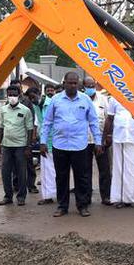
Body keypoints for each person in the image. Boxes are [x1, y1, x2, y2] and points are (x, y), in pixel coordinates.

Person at [40, 72, 103, 217]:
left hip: (80, 145)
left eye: (75, 83)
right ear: (64, 83)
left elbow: (93, 122)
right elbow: (47, 123)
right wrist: (43, 142)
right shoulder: (56, 100)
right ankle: (62, 206)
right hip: (59, 145)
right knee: (61, 177)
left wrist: (98, 142)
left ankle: (82, 206)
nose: (73, 85)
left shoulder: (85, 100)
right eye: (70, 83)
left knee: (81, 177)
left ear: (78, 85)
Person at [0, 85, 35, 206]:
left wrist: (28, 146)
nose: (12, 97)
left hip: (20, 146)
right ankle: (8, 196)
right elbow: (1, 127)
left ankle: (21, 196)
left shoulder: (25, 110)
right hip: (6, 146)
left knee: (21, 171)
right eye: (10, 95)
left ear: (19, 95)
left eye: (14, 94)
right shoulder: (3, 110)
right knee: (5, 172)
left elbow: (29, 129)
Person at [104, 96, 134, 209]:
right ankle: (121, 199)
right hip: (119, 137)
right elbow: (110, 118)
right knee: (120, 169)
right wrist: (106, 135)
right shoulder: (114, 98)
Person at [84, 76, 112, 206]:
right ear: (83, 87)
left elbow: (108, 119)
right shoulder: (81, 99)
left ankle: (106, 196)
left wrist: (108, 136)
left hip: (100, 140)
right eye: (87, 86)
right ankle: (86, 197)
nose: (90, 88)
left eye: (92, 86)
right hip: (84, 141)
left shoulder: (103, 99)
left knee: (105, 169)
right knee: (85, 170)